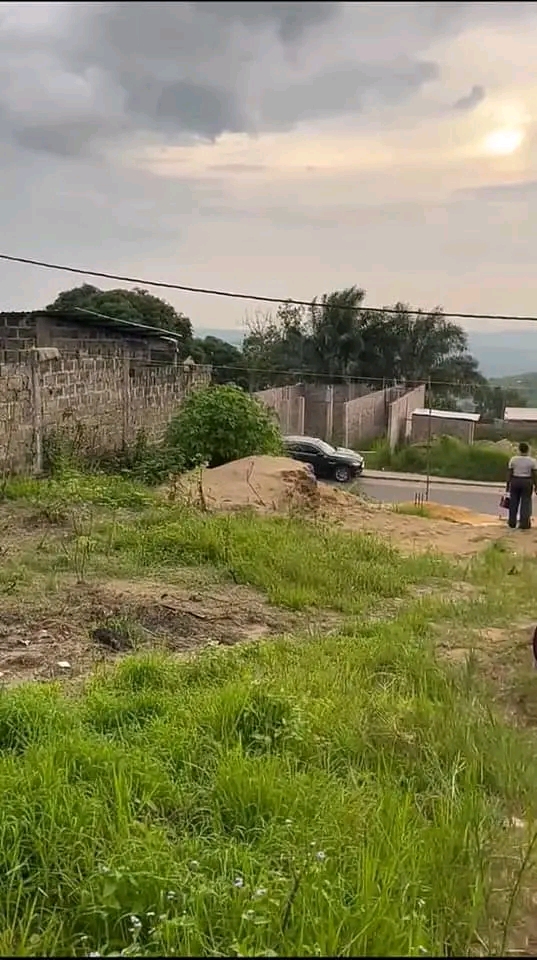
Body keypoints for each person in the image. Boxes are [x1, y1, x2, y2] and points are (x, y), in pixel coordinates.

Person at [506, 441, 537, 530]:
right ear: (528, 450)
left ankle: (512, 522)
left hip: (515, 481)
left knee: (513, 502)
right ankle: (524, 523)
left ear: (519, 450)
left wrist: (508, 486)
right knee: (526, 502)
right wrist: (536, 486)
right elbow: (534, 474)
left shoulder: (513, 459)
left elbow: (509, 473)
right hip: (527, 481)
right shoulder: (532, 461)